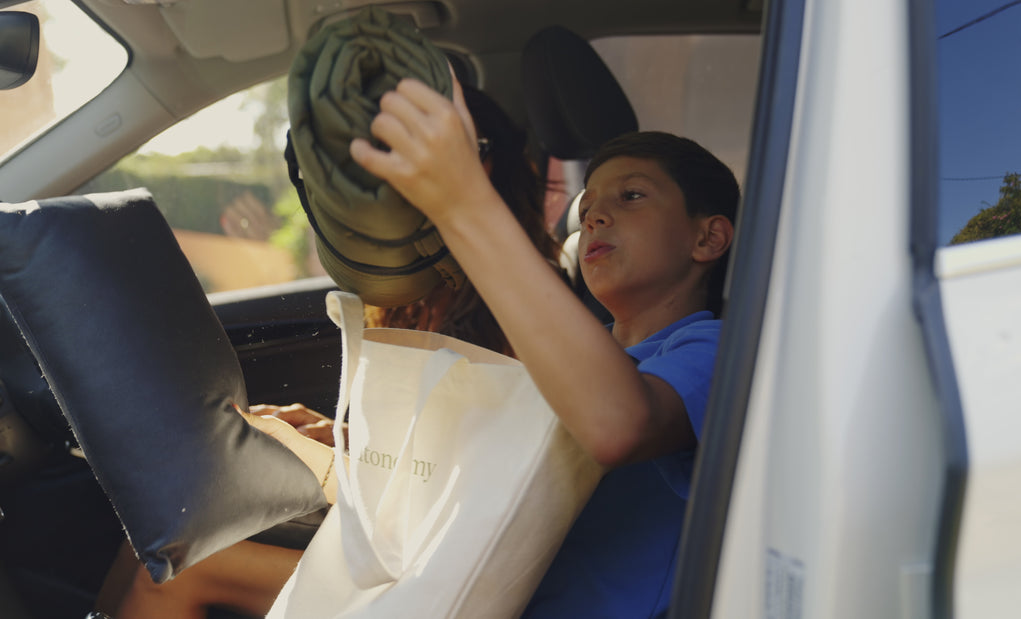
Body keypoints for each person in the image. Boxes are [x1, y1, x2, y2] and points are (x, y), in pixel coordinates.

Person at [95, 84, 561, 619]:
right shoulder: (421, 292)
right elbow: (426, 448)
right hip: (398, 530)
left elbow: (466, 489)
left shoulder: (523, 308)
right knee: (153, 538)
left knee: (172, 572)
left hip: (440, 561)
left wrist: (323, 461)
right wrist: (333, 432)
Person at [342, 77, 738, 616]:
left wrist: (463, 205)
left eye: (632, 196)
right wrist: (343, 446)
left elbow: (620, 424)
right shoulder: (584, 351)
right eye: (589, 203)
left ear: (707, 239)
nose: (595, 215)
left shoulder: (714, 352)